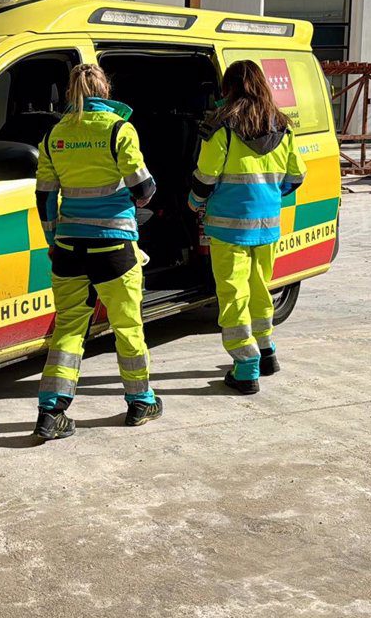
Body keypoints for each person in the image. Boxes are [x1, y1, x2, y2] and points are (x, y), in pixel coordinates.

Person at [33, 63, 162, 440]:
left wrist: (53, 240)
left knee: (69, 330)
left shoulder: (54, 134)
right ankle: (141, 403)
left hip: (69, 246)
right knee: (127, 326)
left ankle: (50, 413)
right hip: (115, 246)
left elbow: (44, 197)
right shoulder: (119, 129)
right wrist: (132, 200)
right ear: (105, 89)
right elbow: (144, 188)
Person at [188, 60, 307, 394]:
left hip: (229, 226)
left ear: (228, 88)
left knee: (233, 294)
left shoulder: (222, 126)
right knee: (260, 288)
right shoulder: (281, 125)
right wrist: (268, 196)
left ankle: (245, 367)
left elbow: (206, 176)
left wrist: (194, 203)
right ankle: (266, 351)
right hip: (267, 224)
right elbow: (296, 176)